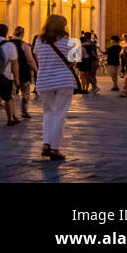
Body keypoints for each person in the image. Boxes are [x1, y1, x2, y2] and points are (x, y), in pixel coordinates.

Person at [33, 14, 78, 161]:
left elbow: (38, 59)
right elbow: (74, 63)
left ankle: (46, 143)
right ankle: (55, 148)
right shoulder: (71, 42)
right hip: (64, 80)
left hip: (44, 80)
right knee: (60, 114)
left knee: (47, 113)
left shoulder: (39, 42)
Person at [12, 26, 37, 118]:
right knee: (25, 93)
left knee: (11, 95)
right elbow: (30, 60)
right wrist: (36, 70)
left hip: (10, 73)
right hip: (23, 72)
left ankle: (12, 113)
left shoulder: (7, 44)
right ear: (22, 34)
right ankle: (24, 111)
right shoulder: (24, 45)